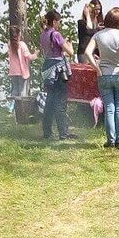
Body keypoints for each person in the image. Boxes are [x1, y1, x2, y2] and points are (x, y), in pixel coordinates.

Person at [85, 8, 119, 148]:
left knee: (109, 109)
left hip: (104, 75)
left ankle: (110, 140)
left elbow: (87, 52)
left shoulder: (98, 35)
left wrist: (97, 68)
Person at [40, 9, 76, 140]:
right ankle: (63, 133)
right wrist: (69, 44)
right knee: (60, 101)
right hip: (58, 70)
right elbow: (70, 52)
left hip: (47, 67)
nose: (59, 24)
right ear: (54, 21)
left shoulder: (43, 34)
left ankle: (47, 132)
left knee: (50, 101)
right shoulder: (56, 34)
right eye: (59, 21)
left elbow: (49, 50)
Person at [8, 25, 38, 98]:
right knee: (22, 92)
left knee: (14, 91)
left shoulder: (9, 44)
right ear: (19, 34)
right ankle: (22, 105)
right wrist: (35, 54)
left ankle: (13, 105)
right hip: (22, 72)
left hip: (13, 72)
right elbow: (29, 57)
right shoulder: (22, 44)